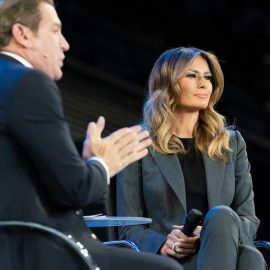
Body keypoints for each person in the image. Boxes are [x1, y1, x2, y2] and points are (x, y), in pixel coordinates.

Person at [0, 1, 184, 270]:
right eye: (55, 31)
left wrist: (87, 166)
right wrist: (103, 164)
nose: (64, 44)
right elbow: (77, 190)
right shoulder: (29, 83)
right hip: (42, 248)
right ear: (22, 34)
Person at [116, 47, 267, 270]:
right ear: (168, 83)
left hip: (226, 251)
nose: (204, 83)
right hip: (169, 259)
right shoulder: (138, 143)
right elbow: (128, 228)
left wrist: (210, 233)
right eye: (192, 75)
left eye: (207, 77)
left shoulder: (231, 143)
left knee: (222, 218)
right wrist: (164, 243)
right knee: (251, 260)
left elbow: (248, 219)